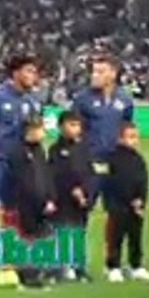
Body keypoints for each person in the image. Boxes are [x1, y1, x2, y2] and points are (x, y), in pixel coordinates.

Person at [0, 54, 42, 289]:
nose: (34, 76)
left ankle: (8, 267)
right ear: (16, 73)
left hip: (19, 165)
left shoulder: (34, 101)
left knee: (13, 215)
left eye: (35, 71)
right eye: (29, 71)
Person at [71, 55, 134, 208]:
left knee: (117, 211)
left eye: (100, 71)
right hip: (89, 162)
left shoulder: (125, 99)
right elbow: (73, 132)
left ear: (113, 74)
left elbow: (126, 128)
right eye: (93, 71)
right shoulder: (82, 99)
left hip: (115, 163)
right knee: (82, 207)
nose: (94, 75)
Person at [10, 117, 56, 289]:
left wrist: (51, 197)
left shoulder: (39, 151)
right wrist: (38, 200)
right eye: (40, 129)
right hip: (26, 203)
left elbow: (46, 175)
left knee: (44, 238)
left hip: (43, 203)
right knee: (29, 239)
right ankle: (27, 276)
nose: (43, 133)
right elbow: (24, 181)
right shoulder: (18, 152)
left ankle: (37, 273)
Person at [104, 123, 149, 283]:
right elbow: (115, 182)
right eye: (130, 136)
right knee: (115, 237)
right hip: (118, 205)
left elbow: (143, 181)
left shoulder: (138, 159)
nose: (134, 140)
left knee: (136, 236)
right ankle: (113, 267)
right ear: (120, 138)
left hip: (136, 207)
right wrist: (129, 199)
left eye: (136, 137)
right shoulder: (113, 158)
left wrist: (141, 200)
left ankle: (136, 266)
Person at [48, 110, 92, 281]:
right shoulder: (55, 150)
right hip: (63, 198)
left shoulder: (84, 149)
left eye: (77, 125)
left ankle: (79, 267)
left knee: (80, 231)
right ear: (61, 127)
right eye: (71, 125)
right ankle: (60, 267)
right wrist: (71, 189)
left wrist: (85, 192)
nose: (75, 129)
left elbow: (89, 173)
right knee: (62, 231)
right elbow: (56, 174)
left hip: (81, 200)